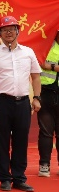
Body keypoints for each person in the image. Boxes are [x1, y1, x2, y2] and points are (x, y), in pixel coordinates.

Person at [0, 15, 41, 192]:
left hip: (22, 102)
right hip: (1, 102)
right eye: (4, 30)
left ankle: (19, 178)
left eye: (11, 29)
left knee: (21, 141)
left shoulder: (28, 52)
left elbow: (36, 77)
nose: (8, 32)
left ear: (17, 31)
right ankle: (4, 179)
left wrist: (37, 97)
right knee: (2, 141)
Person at [38, 28, 59, 177]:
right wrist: (53, 67)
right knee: (46, 132)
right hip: (46, 93)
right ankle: (44, 165)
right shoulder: (46, 45)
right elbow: (38, 62)